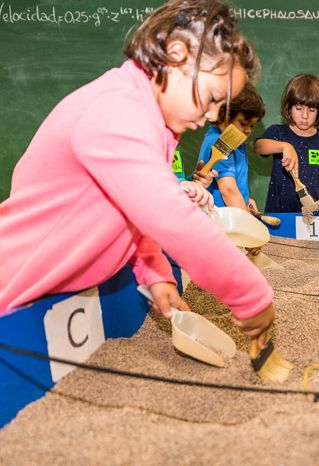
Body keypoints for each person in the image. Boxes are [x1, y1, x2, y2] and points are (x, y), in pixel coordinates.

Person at [0, 0, 275, 346]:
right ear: (176, 56)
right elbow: (171, 217)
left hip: (41, 296)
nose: (211, 115)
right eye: (212, 98)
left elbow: (133, 217)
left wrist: (156, 273)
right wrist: (249, 293)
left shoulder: (153, 124)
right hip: (11, 288)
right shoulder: (116, 110)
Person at [254, 73, 319, 213]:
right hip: (281, 215)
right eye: (299, 108)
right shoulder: (278, 133)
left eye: (312, 110)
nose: (305, 116)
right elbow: (259, 146)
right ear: (289, 107)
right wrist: (284, 146)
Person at [197, 83, 265, 210]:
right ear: (223, 114)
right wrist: (247, 221)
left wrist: (244, 200)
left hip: (231, 213)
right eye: (243, 123)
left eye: (252, 126)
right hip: (221, 219)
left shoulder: (235, 143)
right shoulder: (219, 142)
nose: (248, 130)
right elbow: (228, 190)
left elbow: (234, 186)